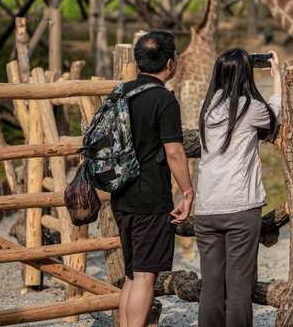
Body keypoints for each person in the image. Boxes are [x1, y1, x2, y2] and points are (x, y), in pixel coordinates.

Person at [112, 30, 194, 327]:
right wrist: (187, 192)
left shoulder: (121, 93)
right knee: (146, 276)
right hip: (150, 198)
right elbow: (173, 152)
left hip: (121, 195)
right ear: (170, 63)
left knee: (132, 274)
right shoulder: (164, 100)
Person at [195, 48, 282, 327]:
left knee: (211, 286)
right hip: (240, 208)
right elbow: (277, 114)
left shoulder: (206, 108)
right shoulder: (250, 108)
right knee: (239, 287)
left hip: (206, 207)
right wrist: (277, 76)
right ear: (247, 74)